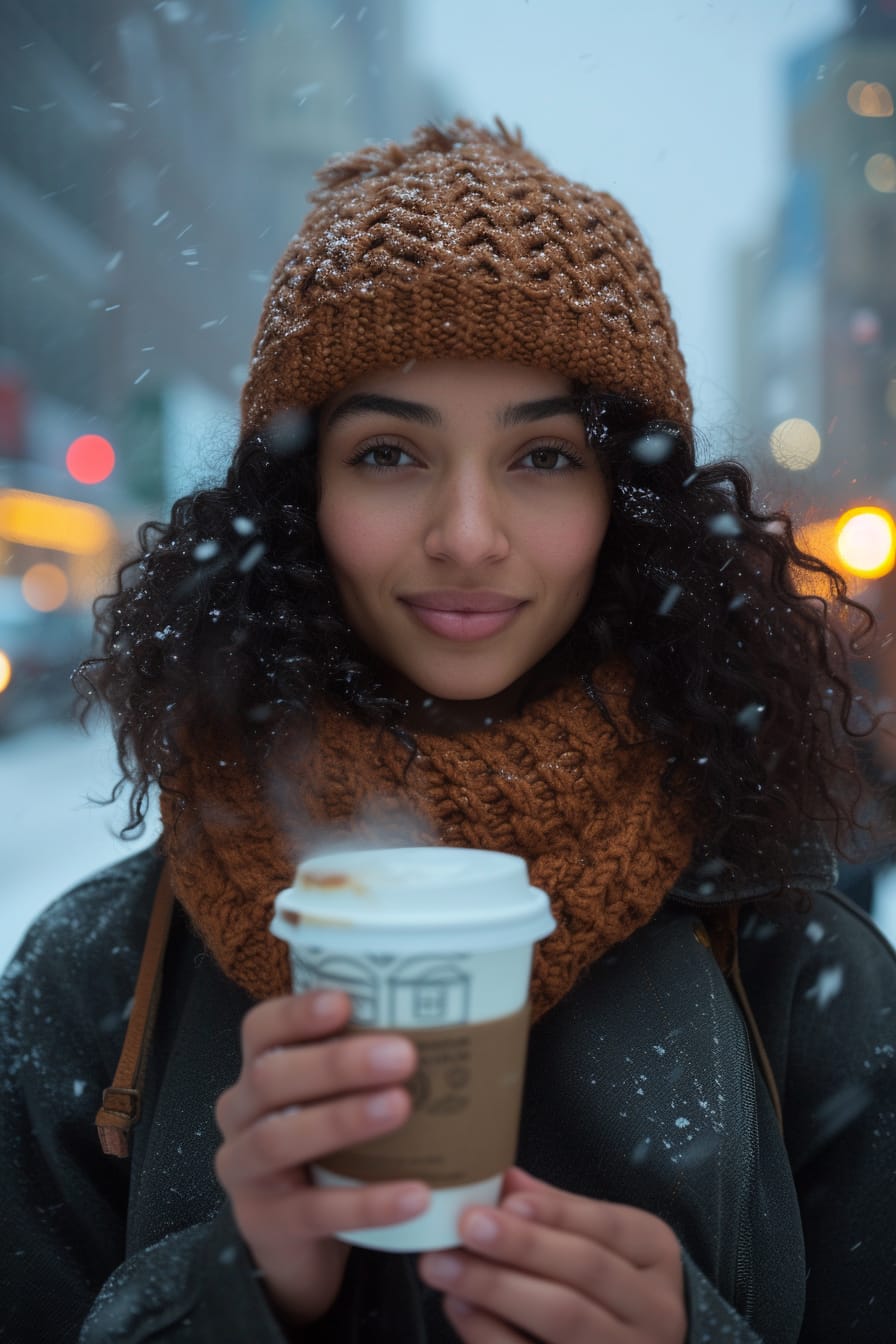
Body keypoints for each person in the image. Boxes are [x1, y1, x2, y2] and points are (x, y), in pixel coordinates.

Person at [1, 118, 894, 1344]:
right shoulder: (97, 978)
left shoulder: (794, 960)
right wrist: (228, 1295)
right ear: (298, 498)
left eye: (539, 455)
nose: (467, 533)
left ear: (626, 507)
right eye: (387, 453)